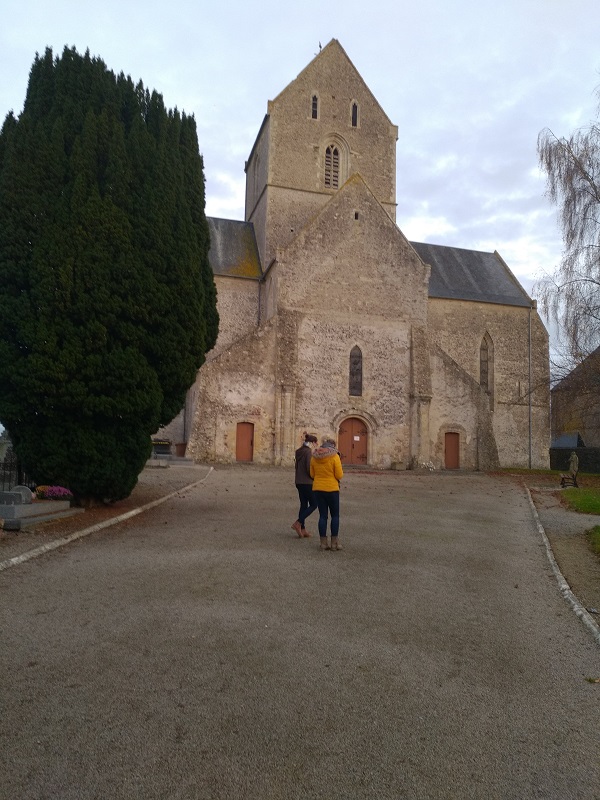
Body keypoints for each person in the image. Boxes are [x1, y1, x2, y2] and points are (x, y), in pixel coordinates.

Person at [310, 436, 344, 551]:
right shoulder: (335, 457)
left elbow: (312, 474)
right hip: (332, 489)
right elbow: (339, 475)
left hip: (318, 489)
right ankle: (334, 543)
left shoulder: (314, 457)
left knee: (323, 516)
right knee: (335, 515)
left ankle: (323, 543)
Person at [291, 433, 318, 538]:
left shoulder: (299, 451)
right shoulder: (308, 452)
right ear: (312, 442)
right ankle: (298, 523)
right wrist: (314, 477)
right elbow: (309, 468)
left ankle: (303, 529)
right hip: (307, 482)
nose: (316, 445)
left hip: (299, 481)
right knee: (314, 504)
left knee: (303, 505)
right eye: (315, 443)